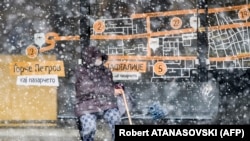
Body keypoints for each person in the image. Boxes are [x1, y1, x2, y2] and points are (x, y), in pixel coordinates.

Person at [74, 46, 123, 141]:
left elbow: (108, 86)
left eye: (100, 57)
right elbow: (87, 88)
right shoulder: (81, 71)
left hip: (105, 104)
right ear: (90, 58)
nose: (100, 59)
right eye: (97, 57)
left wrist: (117, 87)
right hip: (86, 105)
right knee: (89, 126)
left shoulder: (106, 71)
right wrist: (111, 91)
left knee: (116, 118)